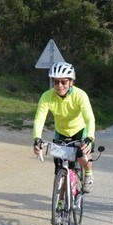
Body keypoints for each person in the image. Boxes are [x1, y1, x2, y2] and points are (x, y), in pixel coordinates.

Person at [33, 61, 96, 193]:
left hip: (80, 130)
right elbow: (39, 119)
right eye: (56, 82)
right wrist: (37, 139)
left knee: (82, 155)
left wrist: (90, 137)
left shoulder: (80, 95)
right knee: (59, 166)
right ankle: (60, 201)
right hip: (61, 132)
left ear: (71, 82)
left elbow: (89, 118)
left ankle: (88, 174)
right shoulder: (47, 96)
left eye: (64, 82)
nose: (60, 85)